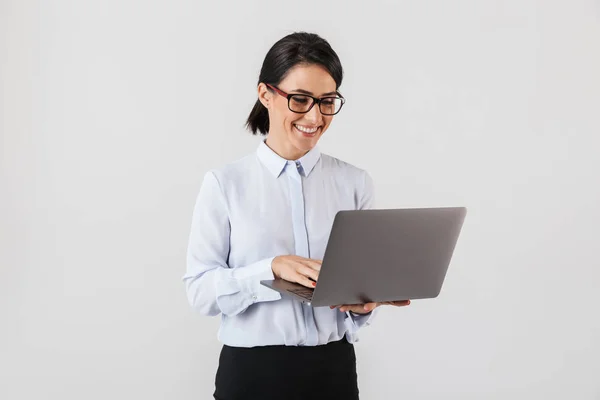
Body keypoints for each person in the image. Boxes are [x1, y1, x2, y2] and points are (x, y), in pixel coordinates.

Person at [183, 32, 410, 400]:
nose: (315, 116)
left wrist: (364, 304)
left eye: (327, 101)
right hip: (252, 375)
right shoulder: (225, 185)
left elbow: (358, 293)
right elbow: (200, 292)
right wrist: (271, 268)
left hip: (333, 370)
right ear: (265, 95)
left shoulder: (354, 183)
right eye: (300, 99)